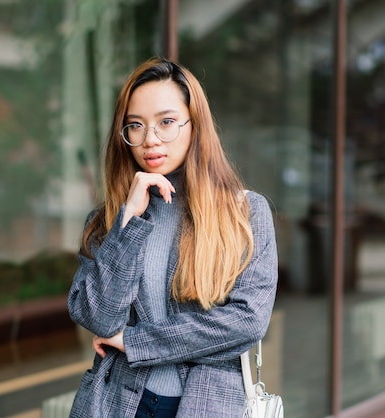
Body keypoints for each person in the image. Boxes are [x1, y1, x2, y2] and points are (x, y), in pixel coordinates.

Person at [67, 57, 278, 418]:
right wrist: (128, 222)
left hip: (206, 405)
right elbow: (99, 318)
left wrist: (135, 342)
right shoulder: (108, 222)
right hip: (119, 404)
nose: (150, 140)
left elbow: (246, 322)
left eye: (166, 123)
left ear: (195, 126)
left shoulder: (245, 213)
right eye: (136, 126)